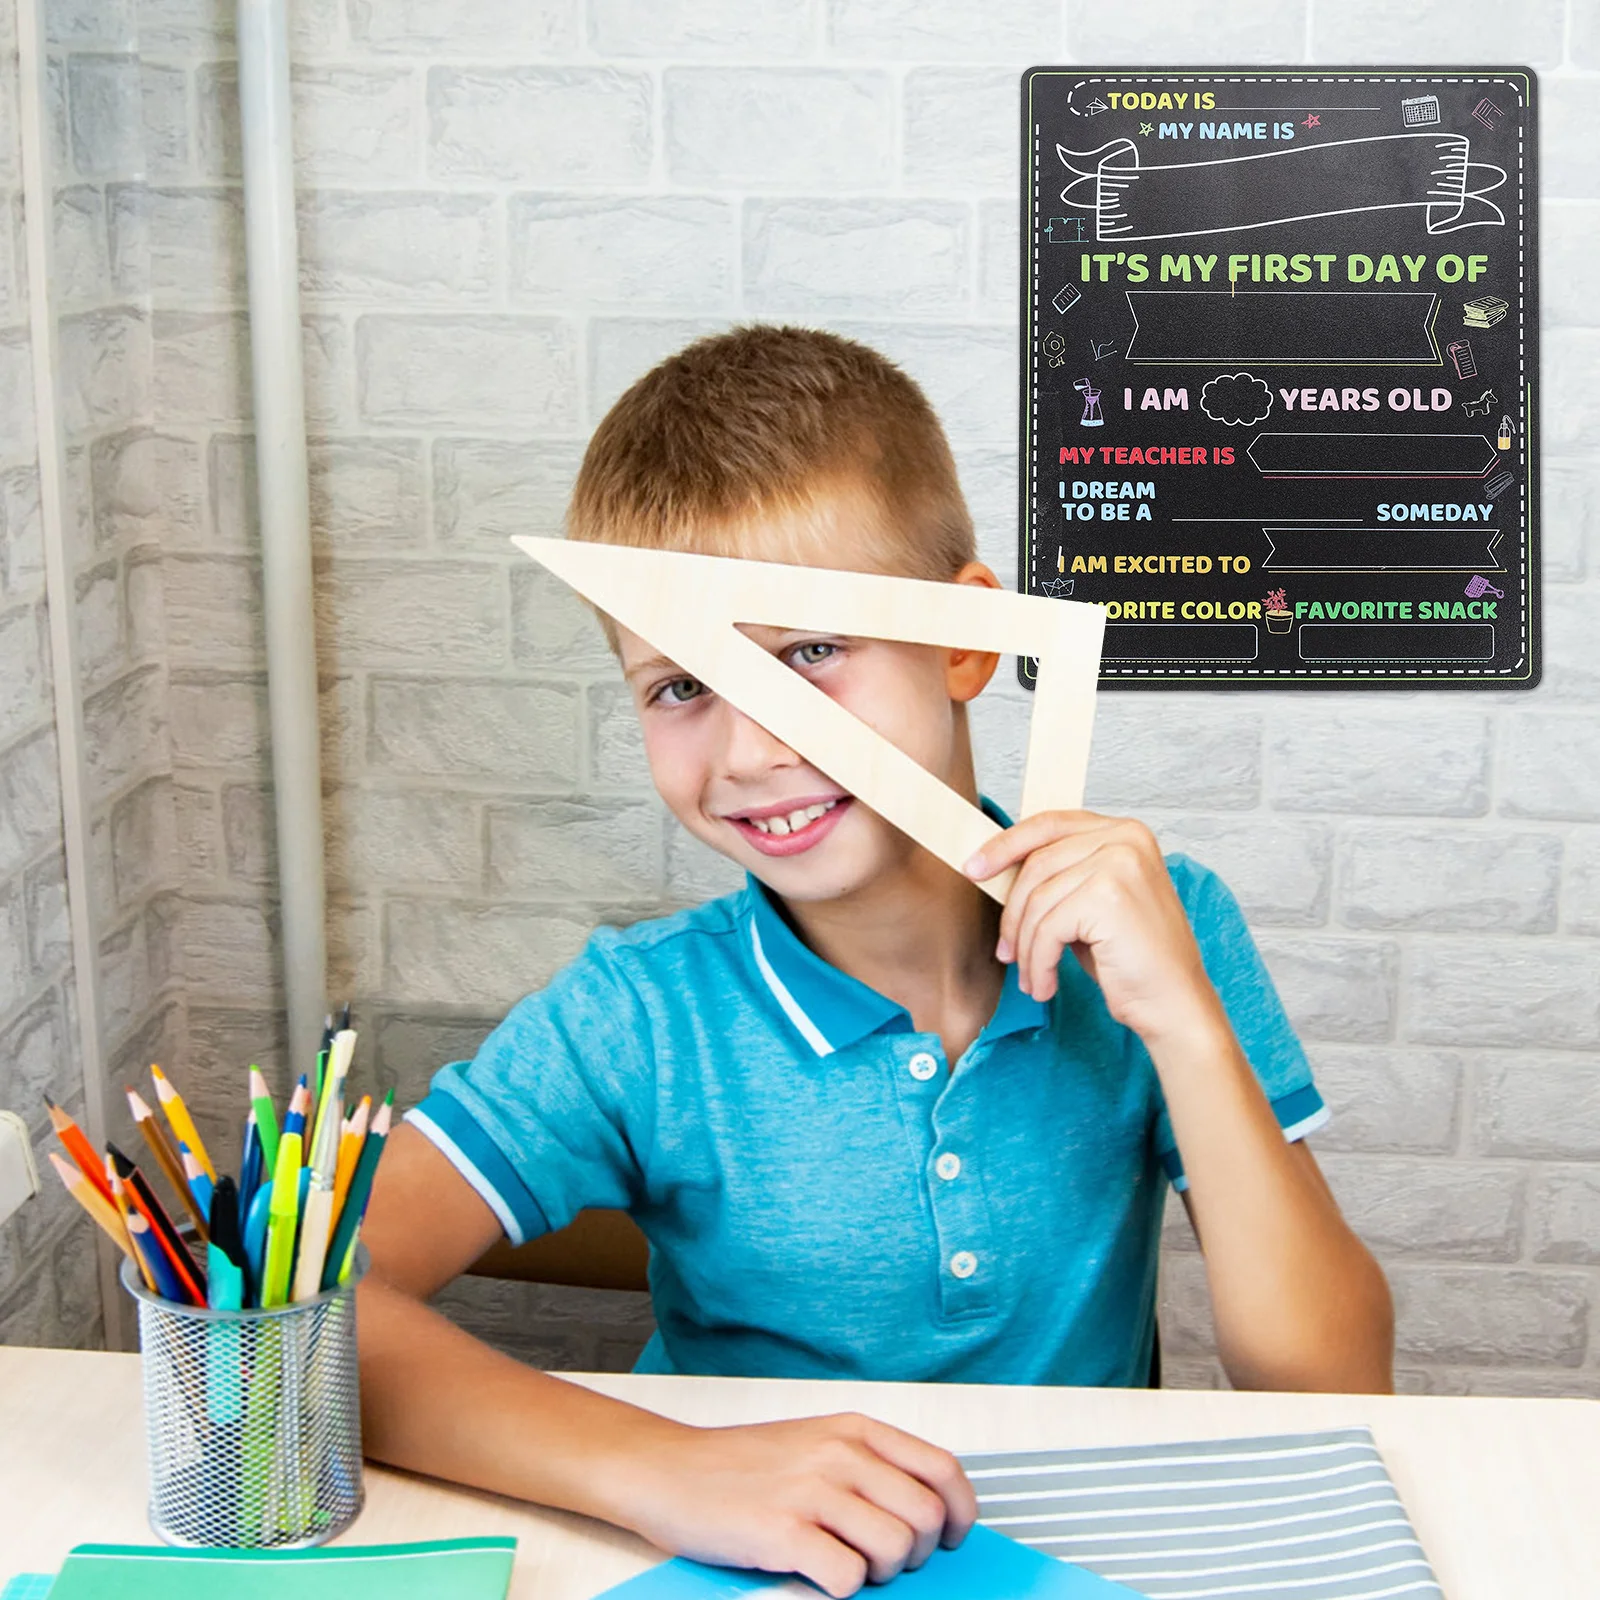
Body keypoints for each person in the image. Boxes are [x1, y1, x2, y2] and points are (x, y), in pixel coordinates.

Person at [356, 326, 1394, 1597]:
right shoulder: (637, 1016)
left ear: (964, 641)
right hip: (740, 1562)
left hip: (1075, 1552)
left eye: (806, 656)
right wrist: (668, 1471)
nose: (747, 754)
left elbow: (1330, 1382)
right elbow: (293, 1317)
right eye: (680, 685)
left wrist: (1181, 1021)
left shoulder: (1166, 924)